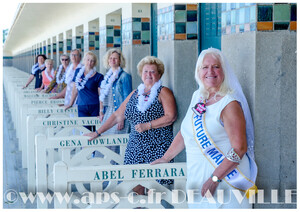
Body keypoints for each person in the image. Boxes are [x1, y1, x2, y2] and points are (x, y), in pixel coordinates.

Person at [151, 48, 257, 208]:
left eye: (216, 66)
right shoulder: (198, 96)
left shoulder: (229, 103)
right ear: (198, 71)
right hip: (197, 180)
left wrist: (215, 179)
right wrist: (166, 157)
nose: (210, 71)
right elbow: (186, 132)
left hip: (225, 183)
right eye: (205, 67)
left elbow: (239, 149)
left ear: (224, 71)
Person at [85, 56, 177, 195]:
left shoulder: (163, 91)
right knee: (135, 187)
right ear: (141, 74)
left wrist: (148, 125)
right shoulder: (135, 93)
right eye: (145, 71)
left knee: (155, 190)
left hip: (157, 146)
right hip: (135, 146)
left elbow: (171, 117)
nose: (149, 75)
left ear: (159, 74)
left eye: (153, 72)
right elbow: (117, 115)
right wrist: (97, 132)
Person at [64, 51, 104, 130]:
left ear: (95, 63)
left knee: (96, 131)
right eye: (88, 60)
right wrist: (70, 103)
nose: (89, 62)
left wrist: (101, 110)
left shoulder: (99, 76)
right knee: (85, 130)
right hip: (82, 105)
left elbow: (101, 95)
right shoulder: (78, 72)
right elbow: (75, 89)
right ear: (84, 60)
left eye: (92, 60)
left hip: (94, 106)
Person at [99, 48, 132, 135]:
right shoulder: (107, 77)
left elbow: (127, 100)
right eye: (110, 58)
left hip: (119, 113)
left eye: (115, 58)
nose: (112, 60)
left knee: (115, 145)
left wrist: (121, 118)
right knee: (105, 142)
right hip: (108, 112)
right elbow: (102, 96)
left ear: (120, 61)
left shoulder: (125, 76)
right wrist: (101, 111)